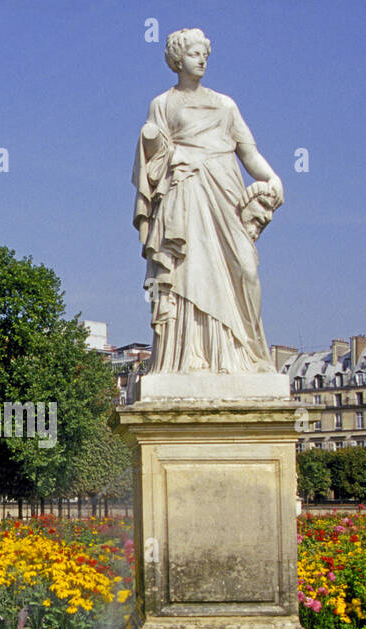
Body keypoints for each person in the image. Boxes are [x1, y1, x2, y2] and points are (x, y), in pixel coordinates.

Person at [134, 28, 284, 375]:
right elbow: (153, 160)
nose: (201, 59)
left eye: (205, 54)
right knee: (188, 271)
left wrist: (272, 179)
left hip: (226, 193)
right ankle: (193, 356)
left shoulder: (225, 104)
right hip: (185, 191)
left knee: (245, 269)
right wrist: (157, 147)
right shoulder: (162, 103)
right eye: (194, 53)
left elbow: (249, 153)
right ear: (176, 60)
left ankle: (250, 352)